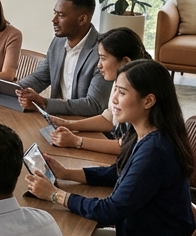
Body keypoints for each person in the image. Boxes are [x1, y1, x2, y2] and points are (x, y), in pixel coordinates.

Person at [25, 59, 195, 236]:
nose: (112, 99)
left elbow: (111, 210)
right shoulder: (146, 135)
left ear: (149, 100)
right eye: (114, 90)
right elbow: (116, 173)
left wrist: (55, 195)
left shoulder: (155, 150)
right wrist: (67, 174)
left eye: (122, 93)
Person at [0, 0, 107, 117]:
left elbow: (94, 105)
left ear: (82, 20)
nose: (53, 20)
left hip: (86, 125)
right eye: (55, 13)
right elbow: (40, 77)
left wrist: (44, 103)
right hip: (56, 118)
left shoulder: (103, 52)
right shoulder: (58, 42)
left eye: (61, 15)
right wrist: (7, 90)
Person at [45, 27, 148, 156]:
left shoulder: (141, 91)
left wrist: (77, 141)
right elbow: (109, 118)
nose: (98, 65)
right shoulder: (120, 81)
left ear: (125, 61)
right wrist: (68, 124)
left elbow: (128, 146)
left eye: (103, 58)